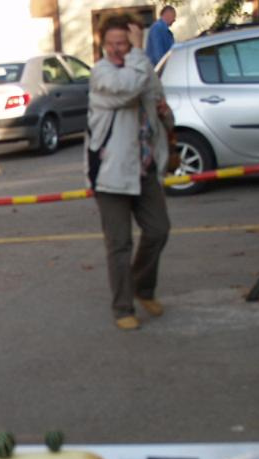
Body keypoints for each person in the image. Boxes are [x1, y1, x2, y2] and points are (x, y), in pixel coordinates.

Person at [85, 15, 171, 332]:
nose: (116, 49)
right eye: (110, 44)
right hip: (111, 172)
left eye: (122, 43)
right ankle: (123, 306)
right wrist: (138, 52)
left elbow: (158, 104)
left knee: (159, 230)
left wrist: (166, 114)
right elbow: (129, 89)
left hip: (144, 167)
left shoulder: (141, 68)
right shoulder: (102, 73)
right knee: (119, 244)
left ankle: (142, 287)